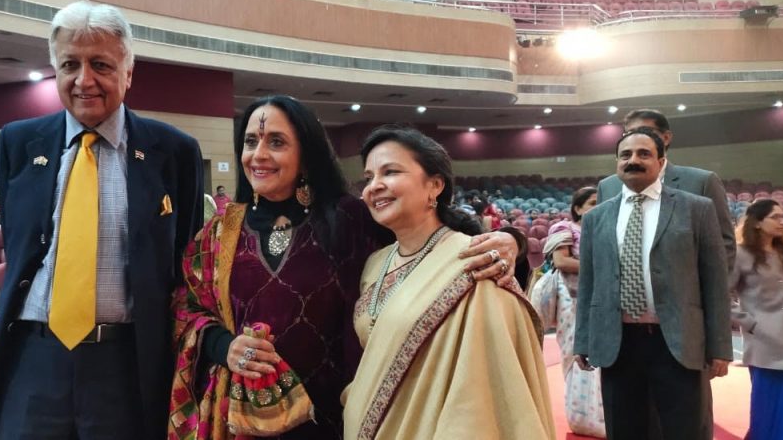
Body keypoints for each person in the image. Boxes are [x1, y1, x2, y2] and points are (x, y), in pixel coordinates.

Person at [169, 98, 522, 439]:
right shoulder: (220, 233)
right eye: (250, 142)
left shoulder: (352, 218)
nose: (258, 154)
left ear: (306, 154)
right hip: (245, 421)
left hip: (342, 418)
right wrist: (223, 346)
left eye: (276, 142)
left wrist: (511, 240)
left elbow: (433, 238)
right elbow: (185, 307)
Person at [0, 1, 205, 440]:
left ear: (128, 71)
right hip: (34, 356)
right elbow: (21, 249)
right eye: (70, 65)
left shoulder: (174, 151)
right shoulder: (18, 142)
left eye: (101, 64)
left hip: (127, 364)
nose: (84, 80)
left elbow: (184, 263)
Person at [342, 126, 553, 439]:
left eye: (390, 172)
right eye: (369, 177)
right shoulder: (375, 263)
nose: (374, 186)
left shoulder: (475, 261)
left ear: (435, 185)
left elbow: (481, 394)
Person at [574, 130, 732, 439]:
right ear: (617, 163)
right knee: (625, 430)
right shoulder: (596, 218)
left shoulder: (696, 208)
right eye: (625, 155)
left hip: (677, 342)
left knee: (683, 430)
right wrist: (582, 340)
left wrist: (720, 346)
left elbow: (715, 281)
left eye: (643, 154)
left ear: (661, 161)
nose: (633, 160)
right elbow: (589, 284)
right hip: (618, 343)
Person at [597, 109, 734, 266]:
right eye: (630, 133)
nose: (637, 137)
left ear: (666, 138)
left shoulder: (701, 182)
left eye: (645, 131)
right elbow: (600, 246)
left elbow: (723, 244)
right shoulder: (608, 187)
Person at [529, 186, 605, 437]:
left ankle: (603, 414)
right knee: (577, 353)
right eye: (592, 203)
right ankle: (582, 418)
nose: (597, 207)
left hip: (602, 298)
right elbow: (562, 261)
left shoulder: (605, 229)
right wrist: (602, 268)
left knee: (603, 353)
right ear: (578, 208)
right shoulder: (564, 228)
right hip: (572, 299)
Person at [730, 199, 783, 440]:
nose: (782, 222)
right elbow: (720, 297)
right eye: (775, 217)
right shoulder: (741, 255)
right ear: (757, 223)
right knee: (768, 410)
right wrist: (751, 323)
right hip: (766, 345)